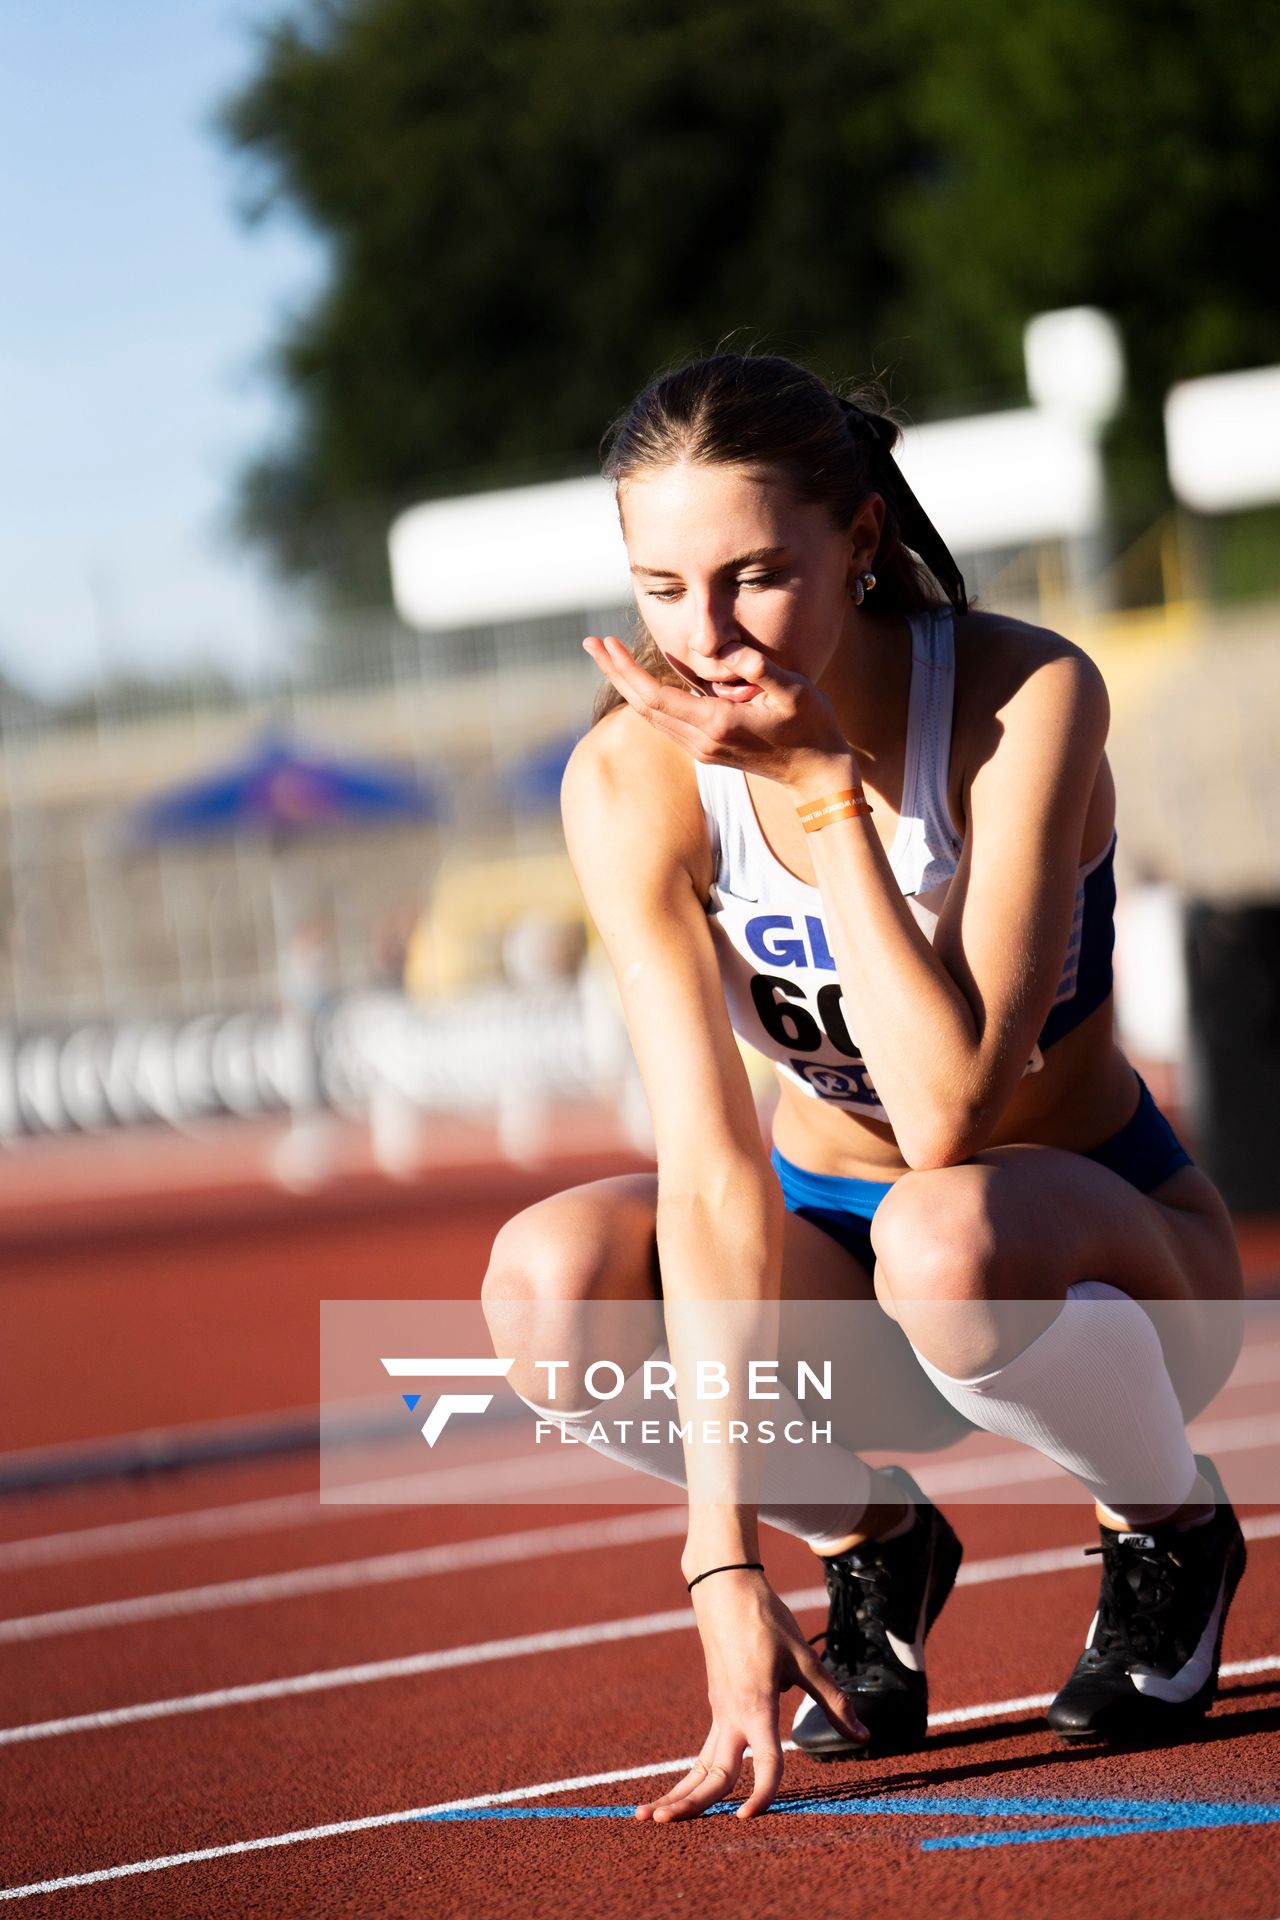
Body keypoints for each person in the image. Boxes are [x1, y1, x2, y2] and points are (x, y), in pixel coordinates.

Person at [481, 353, 1246, 1823]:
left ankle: (1169, 1524)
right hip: (838, 1261)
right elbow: (711, 1175)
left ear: (862, 541)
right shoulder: (627, 781)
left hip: (1106, 1276)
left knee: (940, 1228)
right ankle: (875, 1542)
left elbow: (946, 1114)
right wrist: (721, 1558)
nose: (705, 640)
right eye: (660, 589)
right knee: (546, 1286)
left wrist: (825, 791)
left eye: (755, 578)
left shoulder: (1023, 696)